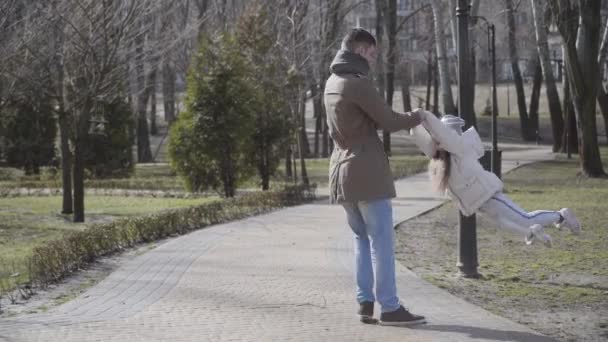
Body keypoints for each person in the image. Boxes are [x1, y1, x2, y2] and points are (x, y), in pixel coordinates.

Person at [324, 28, 426, 326]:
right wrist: (417, 116)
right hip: (366, 170)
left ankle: (365, 303)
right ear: (357, 50)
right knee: (381, 241)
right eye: (370, 53)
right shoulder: (358, 84)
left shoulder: (331, 83)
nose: (372, 59)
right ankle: (391, 307)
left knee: (360, 239)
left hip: (341, 171)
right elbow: (390, 121)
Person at [411, 111, 582, 247]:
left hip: (489, 196)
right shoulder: (442, 156)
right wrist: (413, 123)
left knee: (525, 218)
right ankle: (531, 232)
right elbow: (424, 142)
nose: (435, 139)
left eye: (438, 135)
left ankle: (561, 215)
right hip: (480, 202)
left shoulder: (458, 147)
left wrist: (424, 116)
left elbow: (443, 135)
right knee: (503, 223)